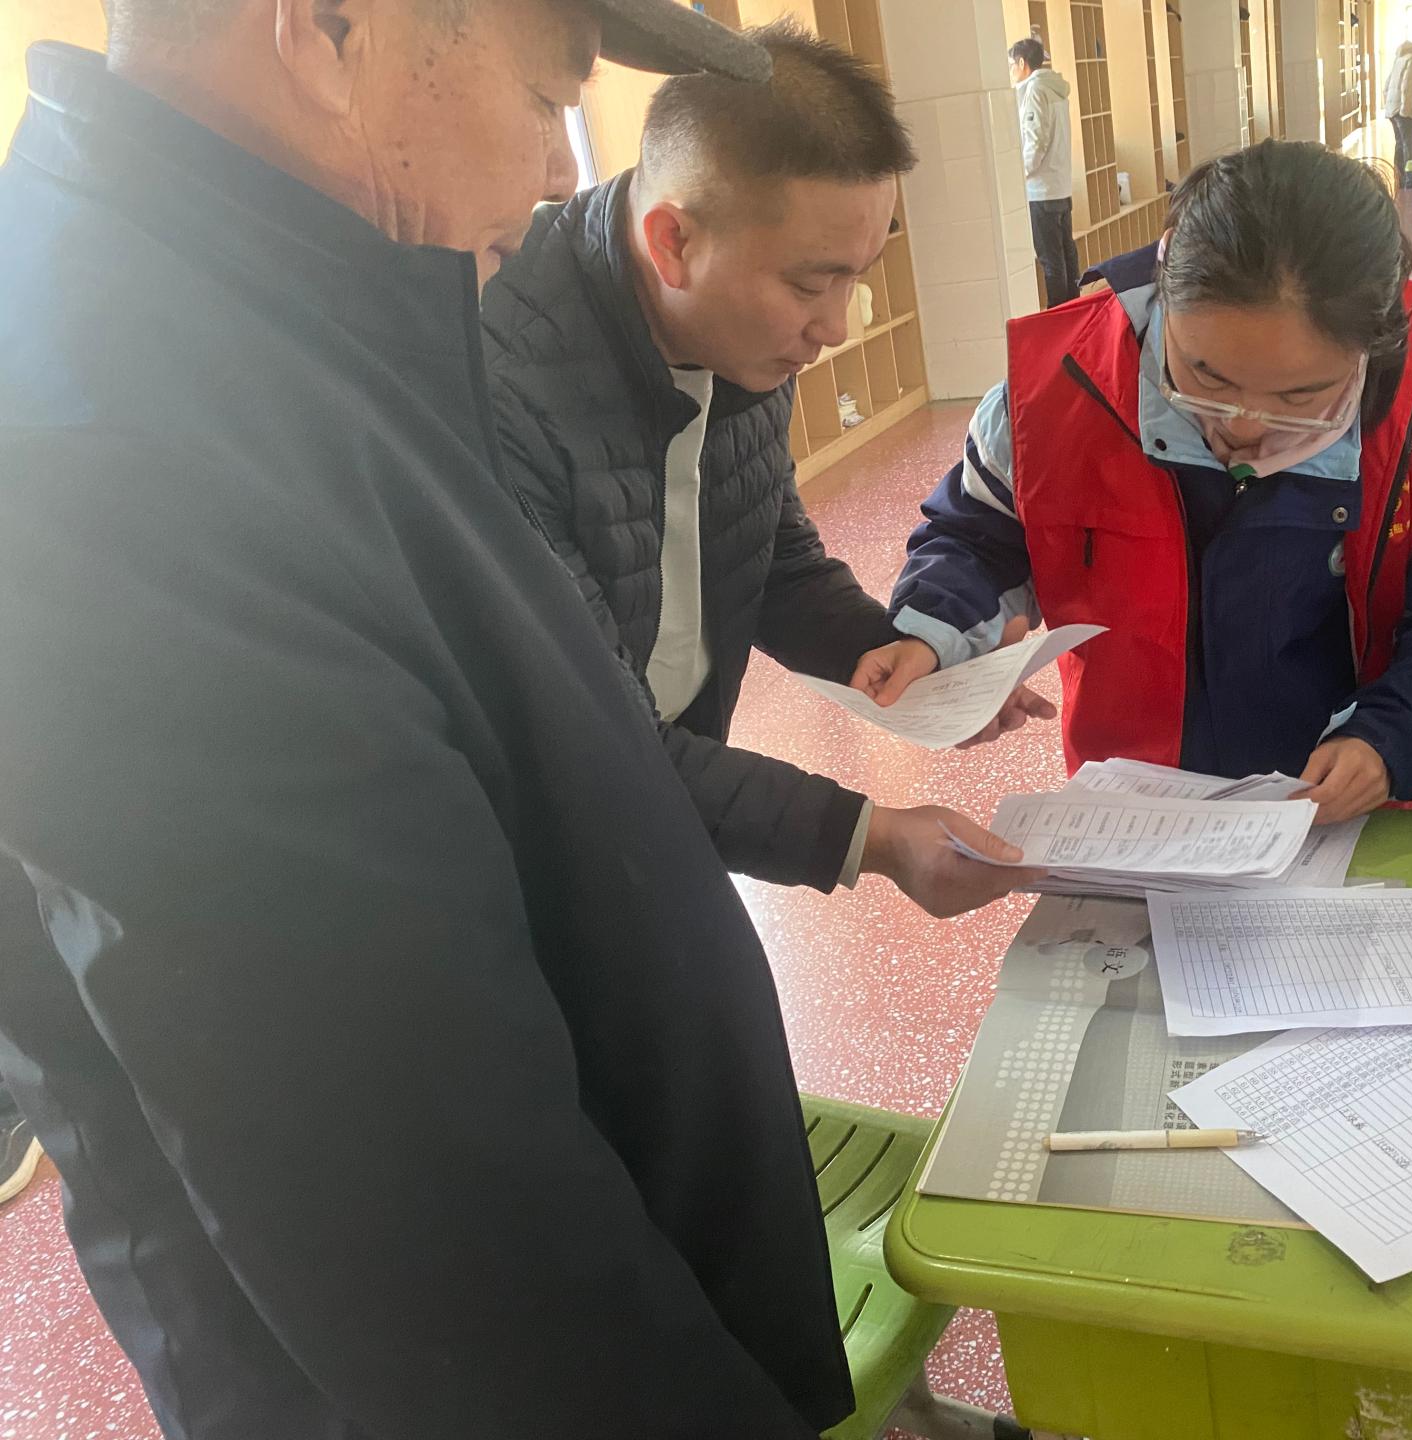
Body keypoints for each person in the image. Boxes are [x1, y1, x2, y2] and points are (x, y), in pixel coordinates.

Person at [0, 2, 899, 1435]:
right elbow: (431, 1208)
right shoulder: (112, 450)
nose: (561, 169)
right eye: (547, 97)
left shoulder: (302, 312)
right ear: (328, 31)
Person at [485, 21, 1047, 913]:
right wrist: (870, 837)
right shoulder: (503, 382)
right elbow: (595, 737)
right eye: (809, 284)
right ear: (673, 241)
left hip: (666, 804)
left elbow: (771, 558)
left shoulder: (740, 344)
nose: (837, 326)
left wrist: (913, 668)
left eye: (857, 276)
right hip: (525, 850)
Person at [854, 140, 1412, 823]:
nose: (1244, 429)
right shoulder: (1055, 393)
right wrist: (936, 634)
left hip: (1345, 817)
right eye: (1206, 377)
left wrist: (1390, 740)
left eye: (1298, 396)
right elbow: (978, 539)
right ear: (1166, 289)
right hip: (1134, 815)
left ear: (1372, 345)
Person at [1010, 36, 1079, 308]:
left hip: (1041, 190)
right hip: (1060, 185)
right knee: (1066, 254)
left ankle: (1058, 314)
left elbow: (1035, 142)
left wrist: (1020, 175)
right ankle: (1073, 309)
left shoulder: (1035, 91)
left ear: (1022, 63)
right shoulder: (1055, 89)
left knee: (1051, 260)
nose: (1011, 71)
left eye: (1012, 65)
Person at [1385, 33, 1412, 192]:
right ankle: (1411, 180)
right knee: (1409, 144)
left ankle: (1399, 178)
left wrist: (1388, 105)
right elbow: (1408, 86)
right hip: (1403, 108)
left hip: (1392, 107)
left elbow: (1387, 84)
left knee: (1399, 144)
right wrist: (1406, 110)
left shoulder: (1399, 57)